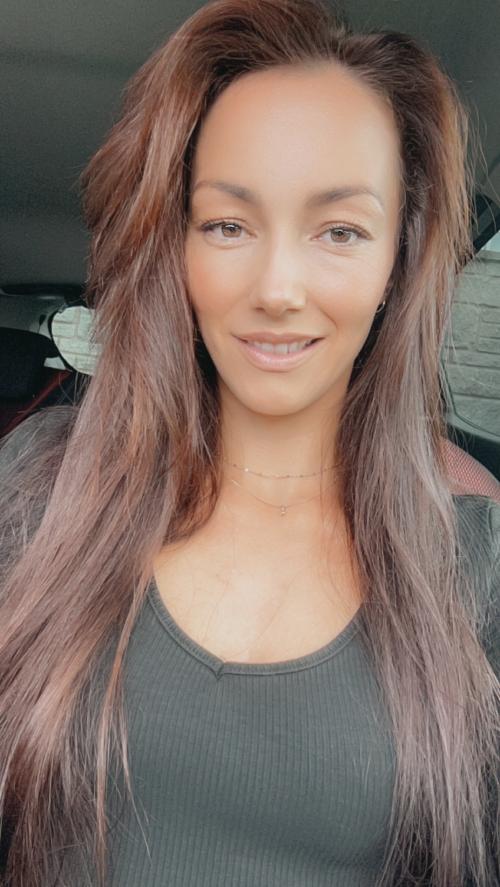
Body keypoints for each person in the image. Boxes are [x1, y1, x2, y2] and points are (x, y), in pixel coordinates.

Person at [0, 1, 498, 885]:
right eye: (228, 224)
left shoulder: (478, 572)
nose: (277, 287)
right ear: (178, 245)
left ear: (397, 259)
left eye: (339, 231)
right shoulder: (41, 493)